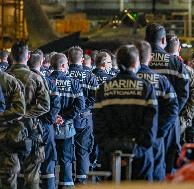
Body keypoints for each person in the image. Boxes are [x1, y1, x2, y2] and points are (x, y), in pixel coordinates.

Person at [94, 45, 158, 181]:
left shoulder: (104, 89)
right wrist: (137, 150)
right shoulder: (146, 88)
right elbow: (151, 124)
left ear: (117, 62)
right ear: (136, 63)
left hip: (110, 154)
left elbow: (98, 123)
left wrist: (109, 147)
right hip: (140, 156)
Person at [145, 23, 190, 174]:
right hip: (170, 119)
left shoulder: (139, 62)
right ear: (163, 40)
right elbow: (184, 93)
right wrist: (173, 113)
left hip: (144, 121)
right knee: (170, 159)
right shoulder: (175, 62)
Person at [8, 41, 50, 189]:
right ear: (28, 56)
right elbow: (45, 105)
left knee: (7, 175)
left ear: (11, 56)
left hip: (6, 131)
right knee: (32, 175)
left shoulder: (4, 77)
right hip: (30, 130)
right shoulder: (36, 78)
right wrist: (25, 115)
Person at [136, 40, 179, 181]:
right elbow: (173, 109)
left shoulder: (122, 81)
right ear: (150, 58)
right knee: (156, 175)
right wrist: (160, 131)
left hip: (129, 140)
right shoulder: (161, 81)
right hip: (155, 137)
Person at [49, 53, 85, 189]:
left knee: (50, 159)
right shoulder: (73, 83)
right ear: (64, 65)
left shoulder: (46, 81)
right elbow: (80, 105)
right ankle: (66, 185)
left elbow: (41, 103)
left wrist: (53, 117)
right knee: (66, 159)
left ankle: (49, 185)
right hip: (67, 127)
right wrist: (65, 117)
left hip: (49, 126)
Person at [28, 53, 61, 189]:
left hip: (23, 125)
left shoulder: (17, 78)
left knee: (27, 163)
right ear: (41, 63)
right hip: (44, 126)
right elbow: (55, 104)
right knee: (48, 163)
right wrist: (49, 120)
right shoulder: (48, 81)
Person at [67, 46, 98, 184]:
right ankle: (81, 181)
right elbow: (95, 98)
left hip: (65, 118)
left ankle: (66, 181)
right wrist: (83, 109)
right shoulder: (91, 76)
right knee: (83, 151)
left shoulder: (64, 74)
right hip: (85, 118)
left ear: (68, 59)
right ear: (82, 59)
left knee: (66, 152)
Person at [165, 33, 194, 144]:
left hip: (158, 120)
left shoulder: (152, 68)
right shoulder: (188, 70)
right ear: (179, 49)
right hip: (180, 121)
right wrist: (185, 119)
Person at [0, 69, 25, 189]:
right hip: (6, 136)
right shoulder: (9, 80)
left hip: (6, 138)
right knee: (9, 176)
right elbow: (20, 110)